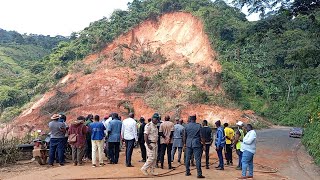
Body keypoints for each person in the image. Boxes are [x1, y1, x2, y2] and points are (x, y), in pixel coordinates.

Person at [184, 114, 205, 178]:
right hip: (197, 144)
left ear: (190, 119)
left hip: (188, 143)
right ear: (195, 119)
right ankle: (199, 174)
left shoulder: (186, 126)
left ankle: (187, 172)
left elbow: (184, 136)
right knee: (197, 159)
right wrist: (203, 144)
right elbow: (201, 136)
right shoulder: (199, 126)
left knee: (187, 158)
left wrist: (184, 144)